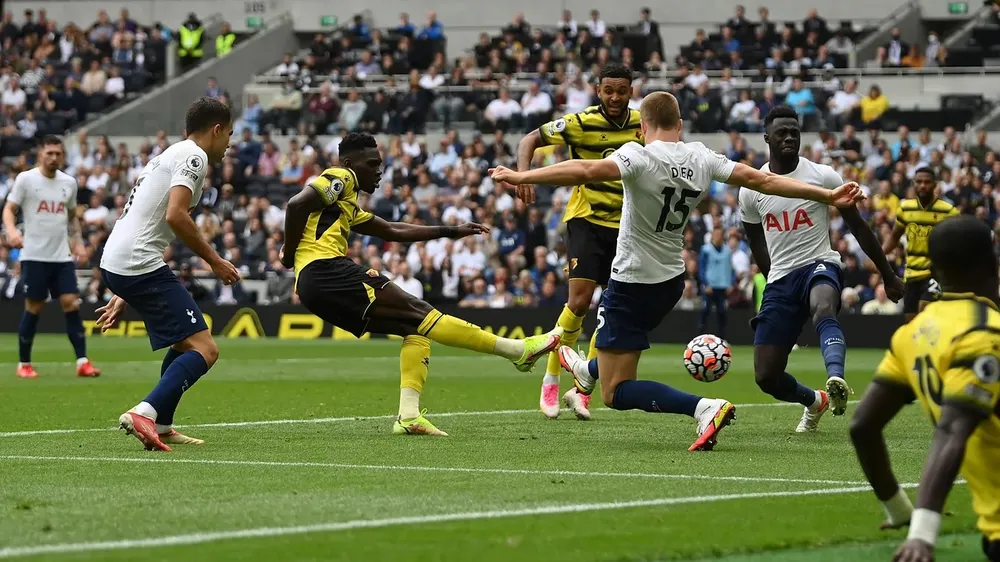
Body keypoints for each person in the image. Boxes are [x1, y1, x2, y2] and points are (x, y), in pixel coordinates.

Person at [491, 92, 866, 451]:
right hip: (671, 281)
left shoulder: (637, 156)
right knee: (619, 348)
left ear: (643, 127)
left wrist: (522, 177)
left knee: (616, 391)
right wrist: (827, 196)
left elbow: (586, 168)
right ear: (681, 125)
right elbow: (764, 180)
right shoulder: (702, 157)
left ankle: (703, 408)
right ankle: (585, 368)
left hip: (633, 279)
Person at [279, 132, 560, 437]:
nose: (379, 170)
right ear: (349, 163)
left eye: (380, 164)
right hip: (326, 271)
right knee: (421, 311)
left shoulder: (347, 205)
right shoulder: (341, 176)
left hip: (313, 284)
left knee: (414, 329)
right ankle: (517, 350)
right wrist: (289, 254)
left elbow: (390, 230)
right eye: (372, 164)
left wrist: (449, 231)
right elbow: (296, 204)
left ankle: (409, 416)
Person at [740, 105, 904, 433]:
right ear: (766, 137)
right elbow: (755, 240)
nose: (789, 137)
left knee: (824, 307)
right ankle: (815, 401)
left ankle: (835, 377)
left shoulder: (822, 176)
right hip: (781, 279)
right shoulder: (752, 188)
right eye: (781, 132)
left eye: (794, 133)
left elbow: (859, 227)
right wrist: (773, 279)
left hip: (820, 263)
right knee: (766, 376)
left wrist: (887, 274)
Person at [94, 97, 240, 452]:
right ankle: (145, 412)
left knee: (183, 341)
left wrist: (122, 290)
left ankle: (162, 423)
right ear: (216, 130)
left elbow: (152, 221)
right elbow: (176, 216)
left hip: (121, 259)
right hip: (135, 260)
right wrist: (214, 260)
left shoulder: (168, 156)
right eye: (229, 135)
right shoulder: (194, 157)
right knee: (206, 349)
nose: (230, 143)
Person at [850, 215, 1000, 562]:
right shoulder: (984, 333)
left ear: (932, 269)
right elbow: (953, 430)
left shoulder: (910, 335)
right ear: (993, 265)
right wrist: (922, 535)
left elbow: (863, 426)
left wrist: (898, 508)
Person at [513, 62, 642, 421]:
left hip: (628, 226)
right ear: (598, 90)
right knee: (579, 302)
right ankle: (551, 378)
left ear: (631, 91)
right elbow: (529, 140)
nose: (614, 97)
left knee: (613, 307)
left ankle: (581, 390)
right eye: (608, 91)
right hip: (586, 220)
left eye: (621, 90)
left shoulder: (642, 125)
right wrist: (523, 174)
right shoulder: (580, 122)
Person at [2, 135, 100, 379]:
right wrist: (12, 231)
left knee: (72, 303)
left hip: (61, 257)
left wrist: (77, 243)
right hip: (34, 255)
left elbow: (71, 218)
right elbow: (9, 210)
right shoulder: (26, 180)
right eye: (50, 153)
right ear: (41, 154)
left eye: (58, 153)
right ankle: (24, 363)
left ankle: (83, 361)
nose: (54, 157)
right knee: (34, 307)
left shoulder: (69, 183)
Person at [882, 166, 958, 322]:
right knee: (911, 322)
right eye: (919, 182)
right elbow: (894, 236)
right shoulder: (905, 208)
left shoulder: (949, 212)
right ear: (914, 184)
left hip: (934, 274)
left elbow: (958, 243)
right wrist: (879, 256)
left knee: (925, 312)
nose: (923, 185)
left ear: (935, 184)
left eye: (927, 182)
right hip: (910, 274)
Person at [698, 227, 733, 339]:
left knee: (722, 312)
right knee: (705, 310)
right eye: (716, 235)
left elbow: (731, 268)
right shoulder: (706, 250)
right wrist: (705, 283)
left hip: (722, 286)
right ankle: (700, 336)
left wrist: (730, 282)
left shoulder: (728, 251)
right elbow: (702, 268)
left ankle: (722, 338)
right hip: (710, 286)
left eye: (720, 235)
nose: (718, 237)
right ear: (712, 236)